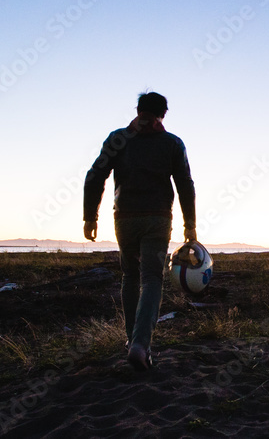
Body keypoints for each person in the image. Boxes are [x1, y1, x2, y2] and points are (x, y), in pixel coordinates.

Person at [83, 91, 196, 371]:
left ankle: (131, 341)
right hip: (157, 218)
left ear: (137, 109)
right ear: (163, 114)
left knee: (130, 275)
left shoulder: (118, 139)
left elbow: (95, 175)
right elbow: (185, 185)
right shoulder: (172, 143)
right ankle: (140, 344)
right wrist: (190, 225)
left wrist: (89, 217)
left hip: (124, 218)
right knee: (152, 279)